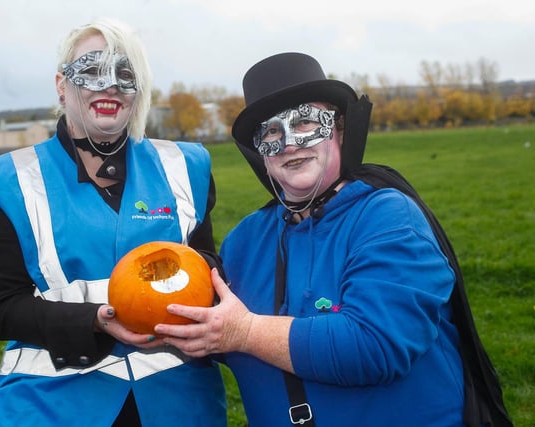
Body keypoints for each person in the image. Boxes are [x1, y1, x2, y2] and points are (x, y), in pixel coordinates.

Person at [155, 52, 512, 426]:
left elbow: (375, 347)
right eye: (272, 132)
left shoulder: (389, 217)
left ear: (340, 129)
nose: (290, 144)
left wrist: (244, 332)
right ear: (260, 151)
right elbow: (218, 333)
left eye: (306, 122)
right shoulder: (245, 240)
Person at [0, 18, 226, 426]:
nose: (109, 86)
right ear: (61, 85)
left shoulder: (186, 166)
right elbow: (1, 309)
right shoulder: (6, 181)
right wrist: (94, 321)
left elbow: (207, 264)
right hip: (53, 403)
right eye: (91, 70)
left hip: (178, 401)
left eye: (125, 74)